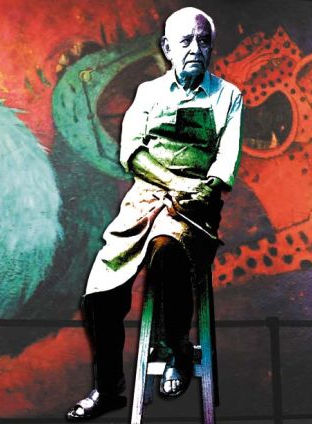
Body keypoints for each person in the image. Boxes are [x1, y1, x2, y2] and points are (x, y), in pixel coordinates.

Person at [66, 7, 243, 421]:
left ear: (211, 47)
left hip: (195, 204)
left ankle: (176, 351)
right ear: (166, 48)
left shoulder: (228, 96)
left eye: (203, 41)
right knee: (100, 291)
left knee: (167, 251)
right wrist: (171, 182)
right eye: (185, 41)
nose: (196, 48)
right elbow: (132, 152)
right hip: (144, 198)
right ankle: (108, 389)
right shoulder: (148, 93)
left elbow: (226, 161)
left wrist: (201, 188)